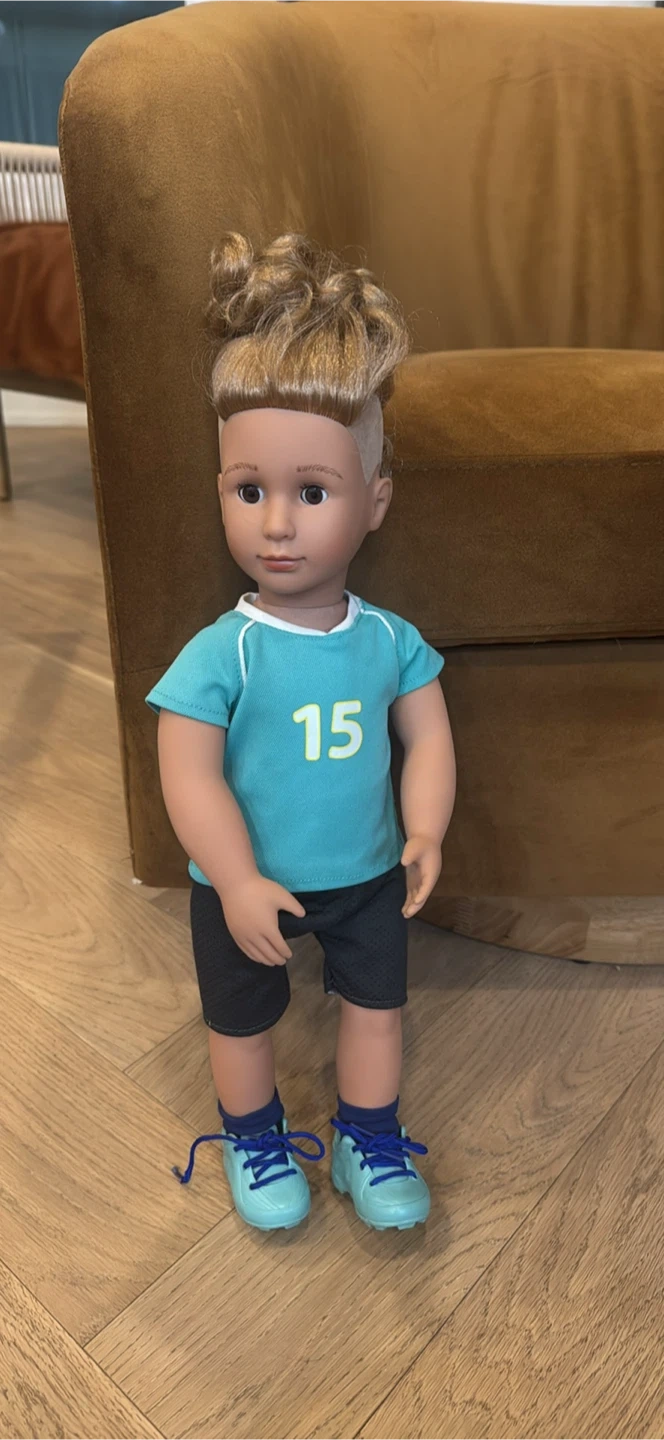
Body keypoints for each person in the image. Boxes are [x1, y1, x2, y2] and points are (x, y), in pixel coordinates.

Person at [147, 233, 456, 1233]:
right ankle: (254, 1133)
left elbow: (428, 739)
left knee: (377, 1009)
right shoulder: (222, 653)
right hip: (247, 883)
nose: (276, 523)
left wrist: (425, 828)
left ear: (374, 502)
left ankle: (370, 1136)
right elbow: (188, 773)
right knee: (240, 1021)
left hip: (365, 874)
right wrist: (235, 877)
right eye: (250, 491)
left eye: (311, 492)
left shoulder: (389, 641)